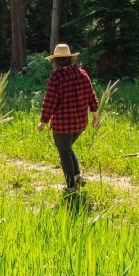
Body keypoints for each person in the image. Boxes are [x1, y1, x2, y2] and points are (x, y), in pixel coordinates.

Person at [38, 43, 100, 190]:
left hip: (62, 125)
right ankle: (78, 176)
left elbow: (50, 102)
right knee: (67, 148)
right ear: (70, 59)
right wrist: (95, 115)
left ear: (56, 61)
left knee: (64, 152)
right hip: (79, 123)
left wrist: (43, 122)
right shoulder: (82, 74)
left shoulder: (56, 77)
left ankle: (71, 186)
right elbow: (91, 95)